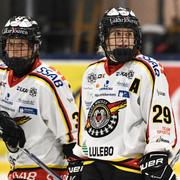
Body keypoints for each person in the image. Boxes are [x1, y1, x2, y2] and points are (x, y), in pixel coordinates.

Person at [71, 7, 178, 180]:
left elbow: (159, 116)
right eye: (117, 35)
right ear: (104, 38)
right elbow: (85, 121)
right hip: (92, 164)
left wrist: (158, 152)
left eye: (128, 35)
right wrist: (77, 157)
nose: (123, 41)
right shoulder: (91, 72)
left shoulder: (147, 69)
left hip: (127, 166)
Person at [0, 16, 78, 180]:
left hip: (48, 172)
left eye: (21, 45)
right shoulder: (2, 73)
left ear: (34, 47)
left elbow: (72, 139)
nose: (14, 52)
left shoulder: (48, 83)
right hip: (17, 171)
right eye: (10, 44)